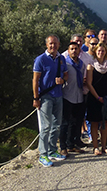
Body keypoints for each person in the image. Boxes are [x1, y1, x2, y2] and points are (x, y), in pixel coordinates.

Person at [33, 35, 69, 167]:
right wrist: (36, 98)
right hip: (45, 96)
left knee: (56, 124)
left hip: (58, 95)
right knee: (46, 126)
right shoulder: (40, 60)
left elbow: (66, 74)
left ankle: (52, 150)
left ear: (59, 44)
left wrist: (63, 80)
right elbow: (35, 80)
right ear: (46, 45)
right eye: (50, 43)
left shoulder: (61, 59)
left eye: (55, 43)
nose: (52, 46)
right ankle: (43, 154)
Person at [86, 42, 107, 155]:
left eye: (103, 51)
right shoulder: (91, 65)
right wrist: (98, 97)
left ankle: (104, 146)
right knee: (94, 123)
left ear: (106, 52)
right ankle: (95, 147)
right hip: (94, 98)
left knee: (105, 123)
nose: (101, 52)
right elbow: (89, 84)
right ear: (95, 52)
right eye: (99, 50)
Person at [60, 41, 86, 156]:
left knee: (75, 123)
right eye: (72, 49)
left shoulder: (82, 64)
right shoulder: (65, 64)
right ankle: (63, 146)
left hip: (79, 96)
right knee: (65, 123)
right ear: (68, 50)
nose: (74, 51)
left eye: (76, 48)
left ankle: (71, 145)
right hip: (67, 96)